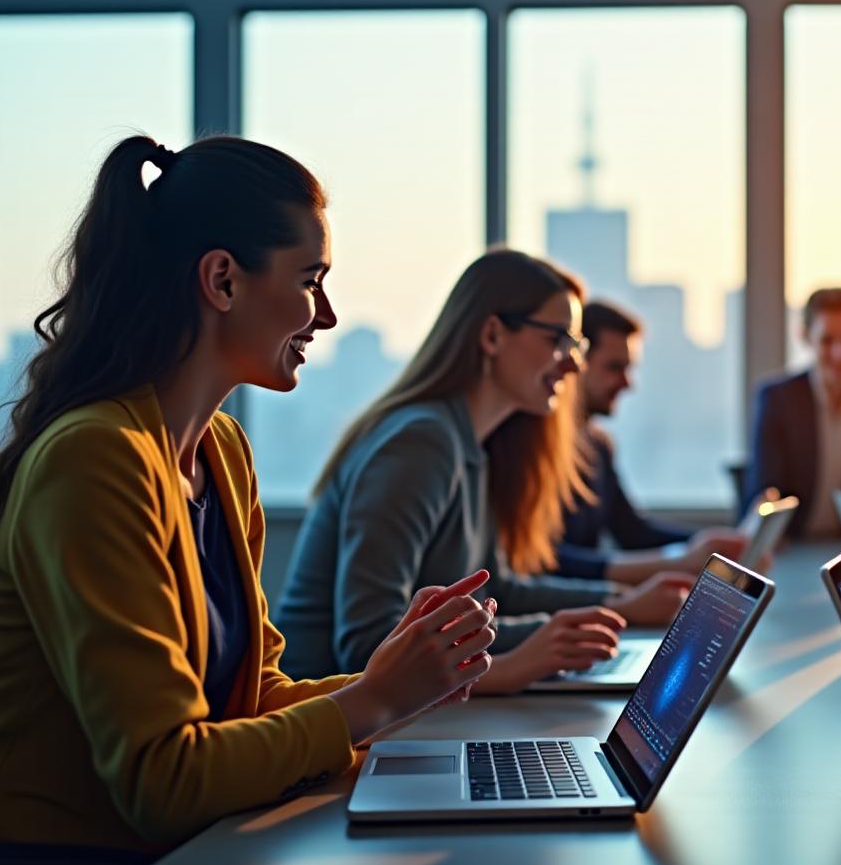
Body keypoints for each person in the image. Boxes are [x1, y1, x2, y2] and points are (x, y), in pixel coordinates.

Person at [0, 136, 498, 865]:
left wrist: (399, 679)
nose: (326, 314)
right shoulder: (96, 458)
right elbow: (163, 781)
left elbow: (247, 700)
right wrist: (373, 702)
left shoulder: (220, 453)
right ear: (221, 280)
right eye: (310, 280)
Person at [275, 250, 691, 687]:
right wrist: (514, 667)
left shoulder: (468, 442)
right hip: (333, 731)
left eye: (576, 345)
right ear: (492, 335)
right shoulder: (420, 443)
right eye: (558, 340)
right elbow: (366, 646)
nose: (573, 363)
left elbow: (499, 592)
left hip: (394, 718)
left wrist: (606, 612)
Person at [554, 299, 746, 583]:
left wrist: (712, 545)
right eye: (614, 367)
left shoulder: (597, 445)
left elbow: (633, 532)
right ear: (576, 362)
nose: (627, 383)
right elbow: (547, 563)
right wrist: (682, 560)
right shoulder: (537, 450)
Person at [746, 287, 841, 537]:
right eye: (828, 341)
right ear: (805, 336)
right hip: (792, 544)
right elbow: (763, 487)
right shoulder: (778, 399)